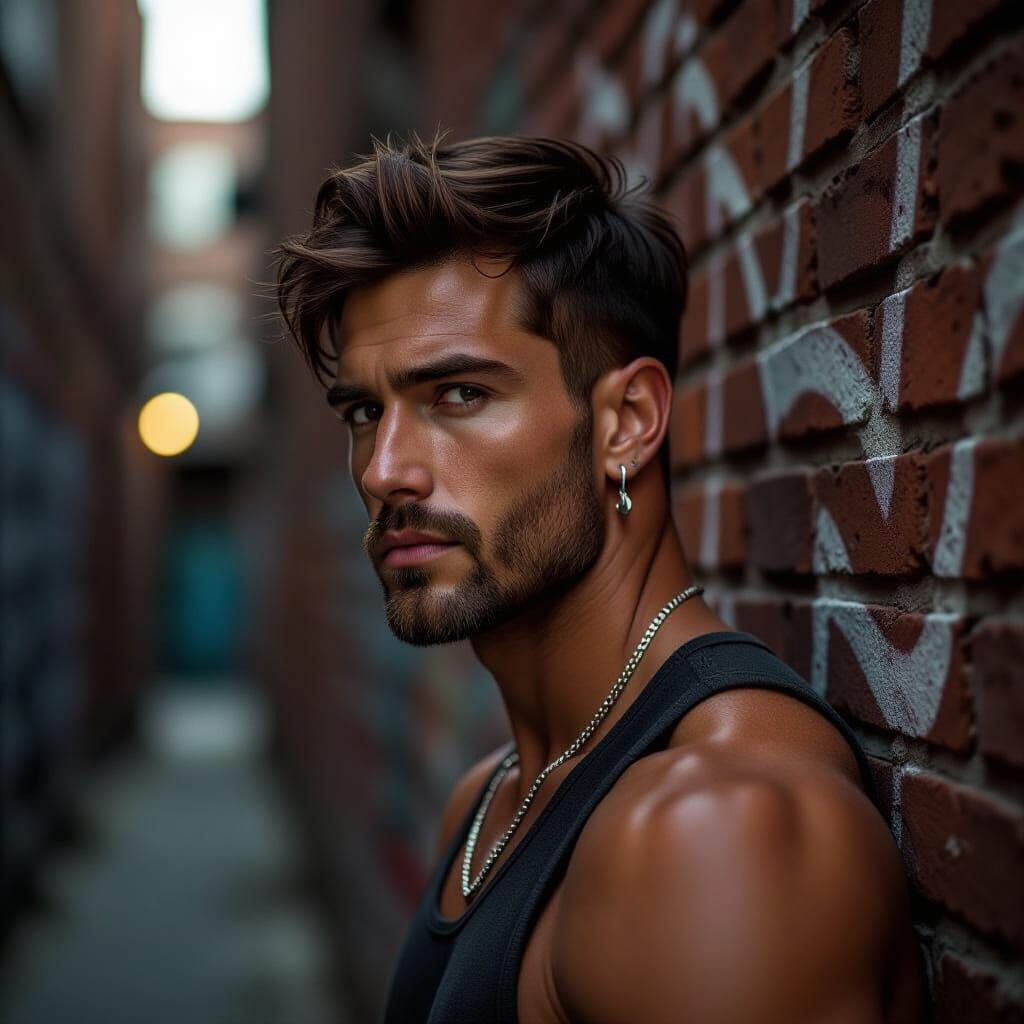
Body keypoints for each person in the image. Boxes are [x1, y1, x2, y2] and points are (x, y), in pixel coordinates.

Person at [275, 130, 924, 1024]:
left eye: (459, 395)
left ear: (627, 421)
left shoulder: (713, 832)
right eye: (362, 410)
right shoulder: (488, 802)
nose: (386, 470)